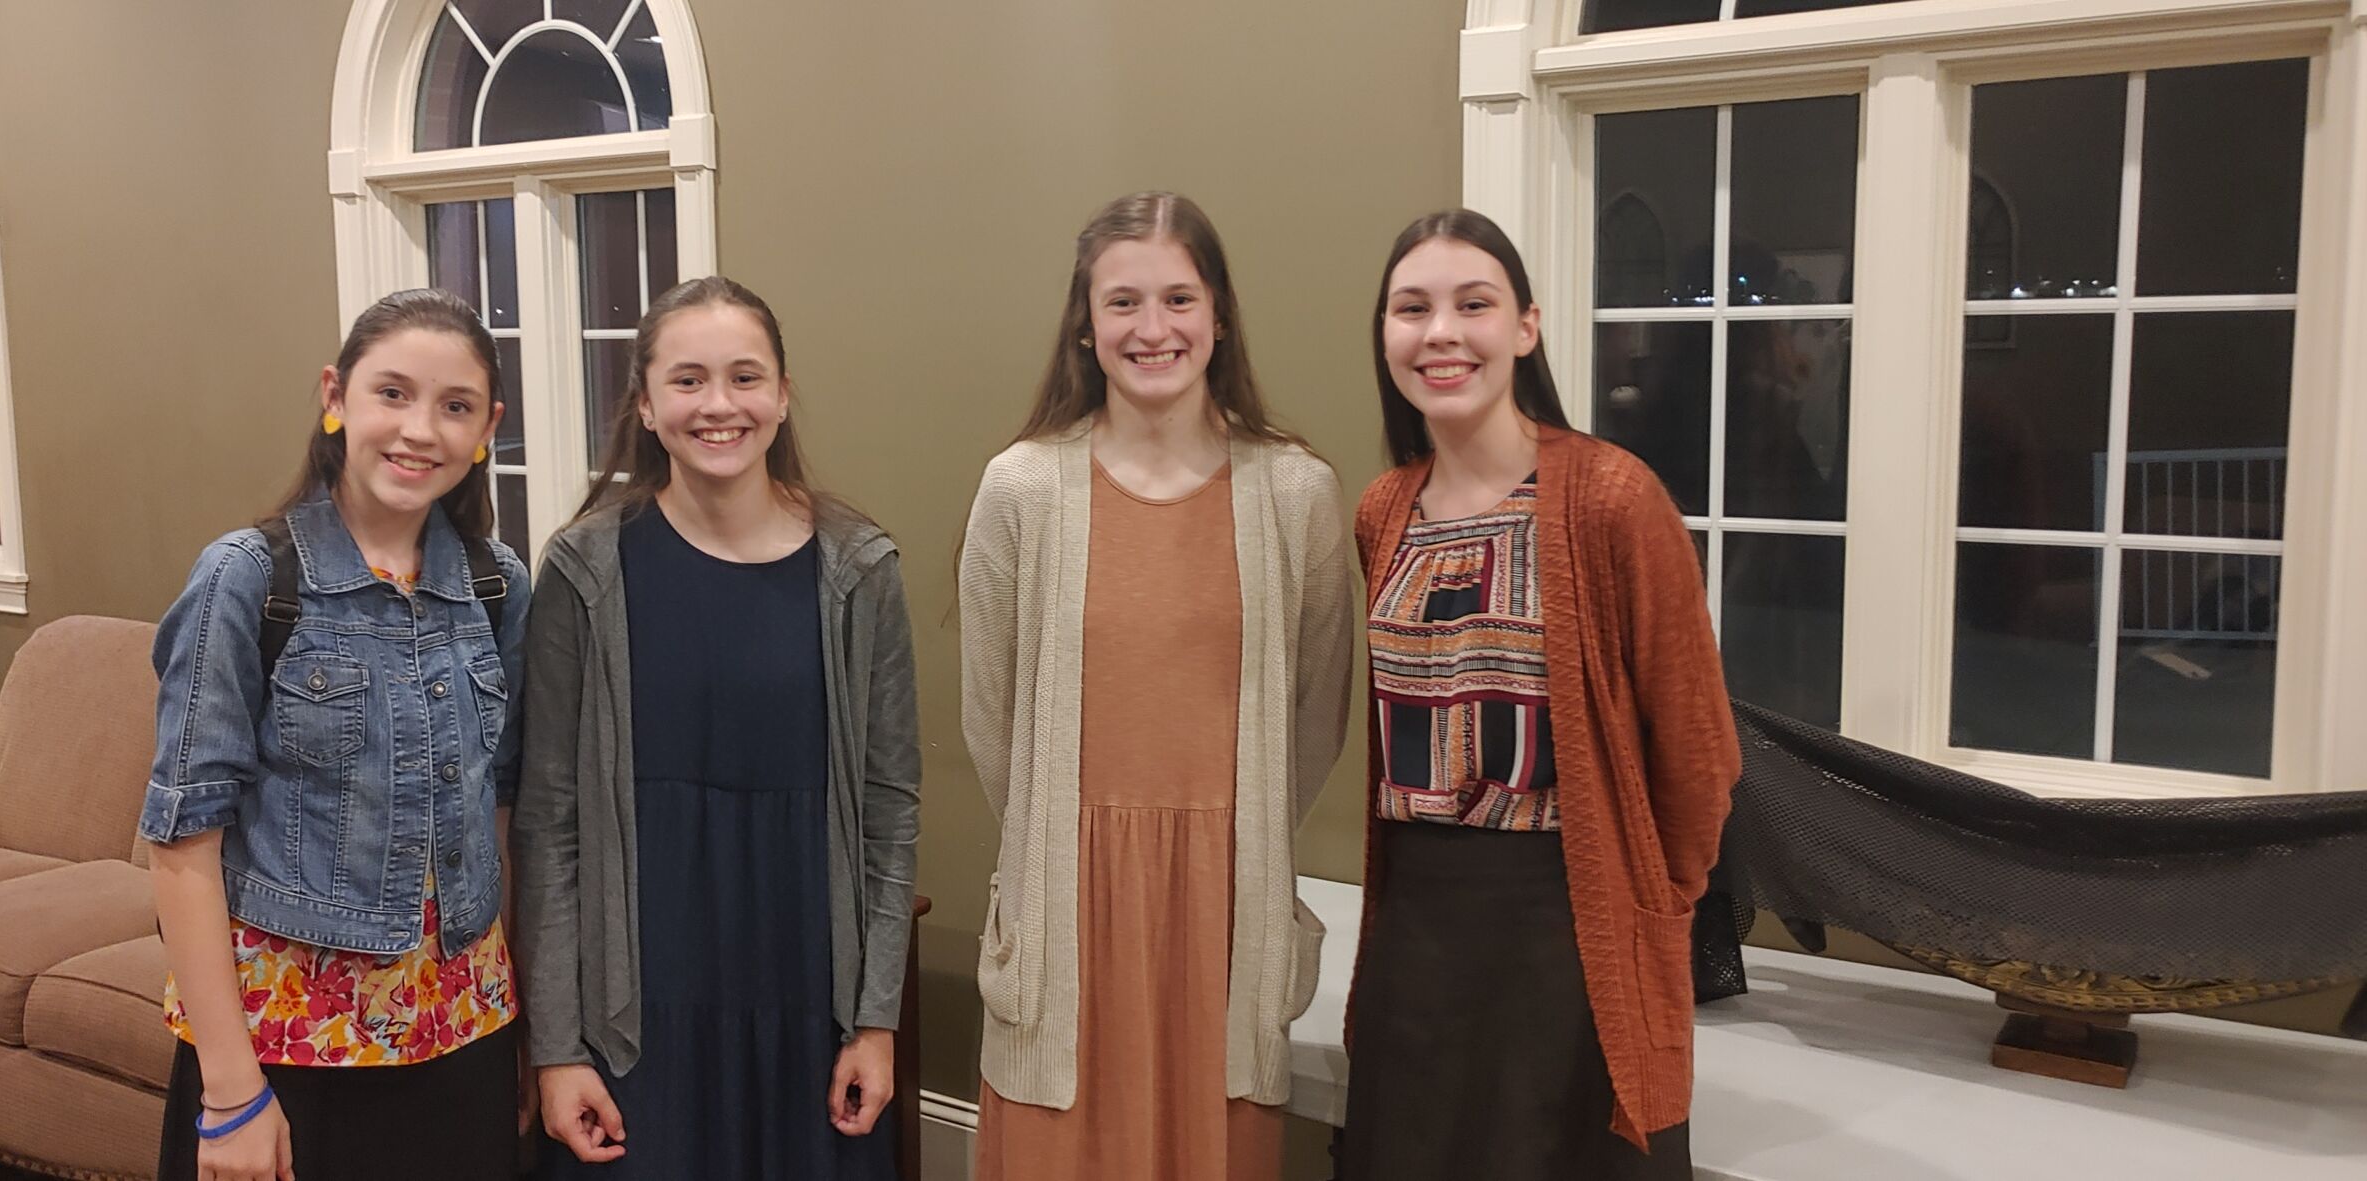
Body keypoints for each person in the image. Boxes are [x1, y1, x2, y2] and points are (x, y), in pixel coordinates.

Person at [961, 190, 1353, 1181]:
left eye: (1178, 298)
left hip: (1226, 914)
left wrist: (1233, 835)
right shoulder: (1020, 488)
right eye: (1123, 301)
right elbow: (990, 716)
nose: (1152, 328)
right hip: (1067, 907)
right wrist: (1066, 839)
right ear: (1085, 325)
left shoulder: (1296, 493)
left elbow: (1317, 712)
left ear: (1218, 315)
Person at [1338, 210, 1739, 1179]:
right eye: (1411, 308)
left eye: (1473, 304)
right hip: (1416, 936)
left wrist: (1656, 908)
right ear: (1385, 334)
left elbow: (1697, 749)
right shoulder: (1384, 510)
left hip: (1568, 937)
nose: (1441, 332)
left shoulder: (1612, 498)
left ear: (1525, 326)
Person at [517, 275, 919, 1180]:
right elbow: (549, 825)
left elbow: (891, 813)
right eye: (688, 380)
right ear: (646, 404)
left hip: (812, 995)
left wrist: (876, 1020)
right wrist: (558, 1048)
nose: (719, 405)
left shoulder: (860, 570)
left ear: (782, 394)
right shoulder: (584, 571)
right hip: (634, 1005)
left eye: (744, 377)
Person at [142, 288, 531, 1181]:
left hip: (464, 1032)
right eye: (392, 393)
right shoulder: (247, 578)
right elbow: (182, 843)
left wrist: (520, 1031)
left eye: (455, 406)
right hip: (288, 1047)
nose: (420, 429)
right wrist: (230, 1092)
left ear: (487, 429)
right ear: (335, 394)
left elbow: (502, 812)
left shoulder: (497, 585)